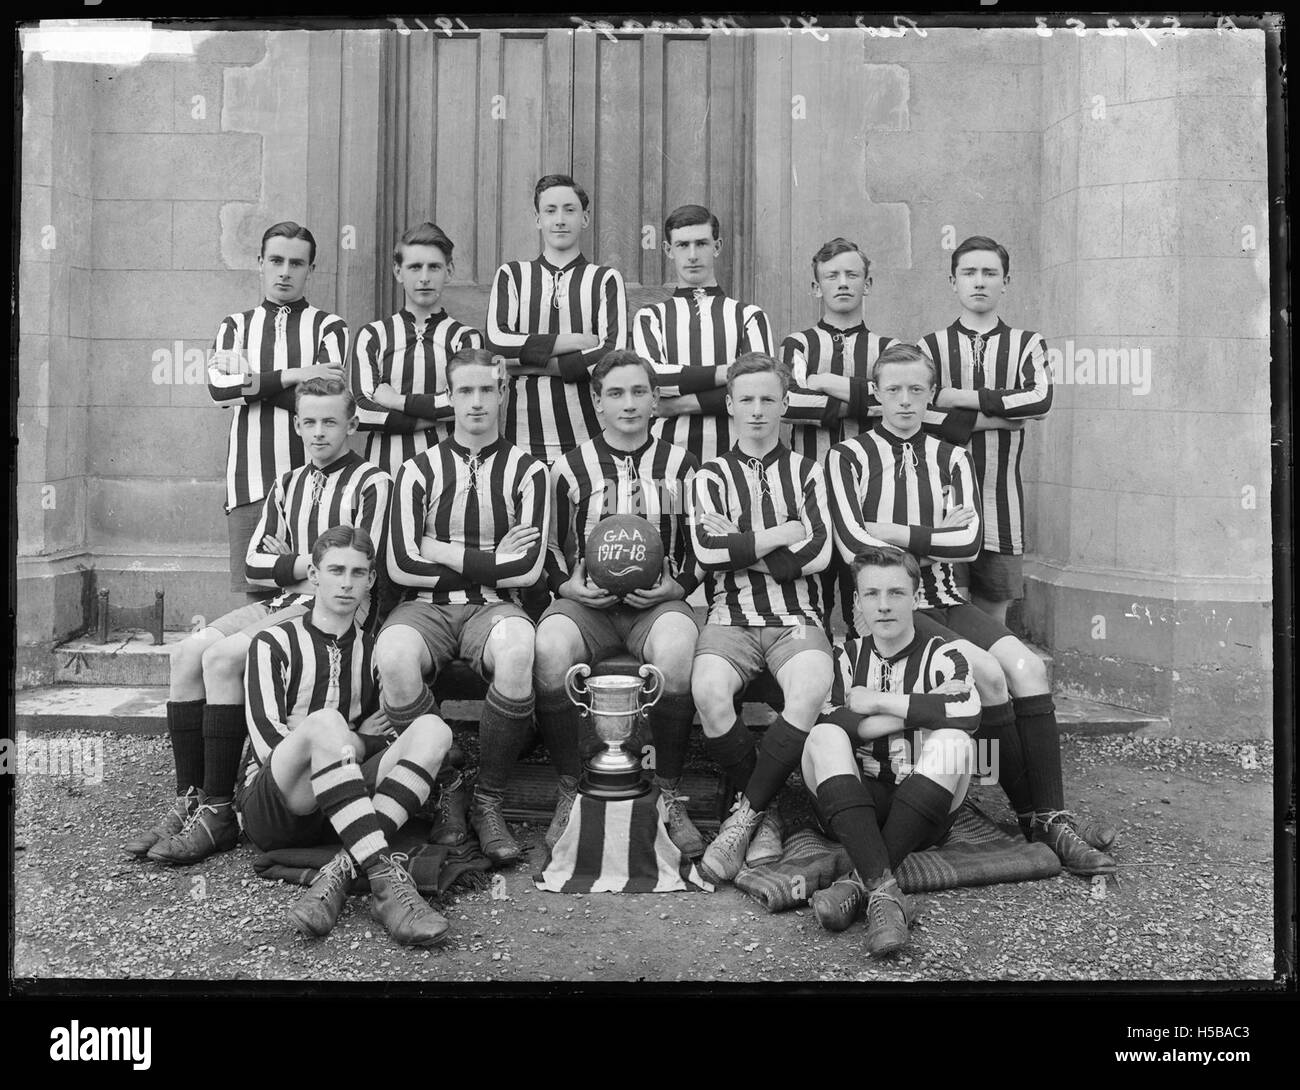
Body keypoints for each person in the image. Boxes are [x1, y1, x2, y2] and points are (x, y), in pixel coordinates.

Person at [825, 343, 1114, 875]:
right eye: (893, 389)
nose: (906, 400)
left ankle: (1048, 815)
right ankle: (1040, 820)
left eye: (917, 389)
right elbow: (855, 549)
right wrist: (933, 535)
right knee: (986, 675)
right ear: (876, 394)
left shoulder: (952, 455)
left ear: (931, 394)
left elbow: (971, 545)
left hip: (948, 600)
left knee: (1026, 667)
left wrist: (894, 531)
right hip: (894, 611)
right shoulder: (848, 458)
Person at [125, 376, 391, 866]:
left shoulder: (372, 481)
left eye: (330, 421)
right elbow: (252, 564)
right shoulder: (286, 483)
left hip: (326, 607)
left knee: (224, 657)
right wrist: (300, 568)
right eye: (308, 422)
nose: (318, 433)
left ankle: (220, 810)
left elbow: (358, 564)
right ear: (295, 424)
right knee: (186, 654)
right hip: (281, 600)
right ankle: (190, 797)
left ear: (351, 424)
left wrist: (289, 561)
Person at [240, 525, 453, 946]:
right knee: (325, 723)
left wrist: (354, 741)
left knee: (434, 729)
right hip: (281, 804)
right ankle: (386, 880)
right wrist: (353, 739)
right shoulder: (272, 642)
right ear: (314, 575)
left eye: (358, 573)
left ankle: (342, 867)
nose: (346, 582)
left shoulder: (374, 650)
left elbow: (393, 739)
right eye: (335, 570)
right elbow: (268, 745)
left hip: (345, 804)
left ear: (371, 580)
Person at [377, 348, 549, 865]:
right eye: (465, 391)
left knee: (519, 650)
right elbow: (401, 564)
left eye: (486, 390)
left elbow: (526, 571)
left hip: (494, 608)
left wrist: (443, 549)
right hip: (424, 607)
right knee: (393, 657)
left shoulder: (529, 471)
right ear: (450, 397)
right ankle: (447, 780)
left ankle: (487, 799)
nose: (476, 401)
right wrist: (492, 556)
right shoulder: (416, 470)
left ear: (503, 393)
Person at [534, 350, 704, 854]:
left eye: (638, 392)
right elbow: (542, 545)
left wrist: (680, 587)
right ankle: (569, 787)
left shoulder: (682, 466)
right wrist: (565, 586)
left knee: (677, 650)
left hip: (657, 606)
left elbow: (703, 547)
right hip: (588, 606)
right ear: (597, 402)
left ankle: (668, 792)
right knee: (548, 648)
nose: (628, 404)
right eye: (615, 393)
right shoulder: (567, 469)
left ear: (655, 400)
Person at [780, 236, 977, 634]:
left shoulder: (890, 347)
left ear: (867, 284)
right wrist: (864, 398)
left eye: (852, 274)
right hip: (812, 492)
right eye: (831, 275)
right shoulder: (798, 343)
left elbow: (901, 401)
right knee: (817, 595)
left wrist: (827, 383)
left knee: (870, 592)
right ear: (816, 286)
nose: (842, 282)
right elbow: (793, 403)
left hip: (870, 498)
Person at [690, 352, 834, 883]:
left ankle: (745, 815)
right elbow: (708, 552)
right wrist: (782, 532)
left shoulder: (810, 472)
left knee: (812, 683)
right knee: (707, 689)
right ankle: (768, 812)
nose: (756, 410)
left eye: (767, 399)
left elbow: (819, 552)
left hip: (797, 616)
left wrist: (741, 541)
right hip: (730, 614)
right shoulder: (709, 475)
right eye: (746, 399)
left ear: (784, 403)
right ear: (729, 405)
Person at [803, 546, 981, 956]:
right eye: (871, 595)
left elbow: (967, 711)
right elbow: (833, 719)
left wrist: (879, 702)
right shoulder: (843, 657)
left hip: (925, 812)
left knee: (955, 740)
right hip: (854, 803)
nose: (883, 606)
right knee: (823, 739)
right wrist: (921, 710)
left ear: (916, 598)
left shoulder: (944, 653)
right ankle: (884, 893)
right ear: (857, 601)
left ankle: (854, 882)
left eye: (896, 593)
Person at [207, 221, 348, 601]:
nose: (285, 272)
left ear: (310, 270)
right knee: (255, 599)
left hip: (313, 483)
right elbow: (220, 391)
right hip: (251, 483)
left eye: (297, 263)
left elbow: (324, 399)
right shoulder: (235, 326)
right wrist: (295, 374)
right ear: (260, 263)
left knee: (318, 592)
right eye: (276, 260)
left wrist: (251, 382)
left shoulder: (329, 327)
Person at [919, 235, 1053, 626]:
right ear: (953, 282)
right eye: (969, 272)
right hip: (944, 504)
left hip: (1002, 504)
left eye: (990, 273)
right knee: (950, 609)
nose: (979, 281)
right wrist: (998, 415)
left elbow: (1040, 401)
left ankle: (994, 686)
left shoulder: (1028, 344)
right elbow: (917, 413)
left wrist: (957, 396)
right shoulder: (930, 347)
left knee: (993, 619)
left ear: (1005, 282)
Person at [485, 173, 627, 464]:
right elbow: (497, 344)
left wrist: (535, 367)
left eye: (569, 210)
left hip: (590, 433)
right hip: (520, 432)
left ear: (585, 219)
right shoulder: (512, 274)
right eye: (550, 211)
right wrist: (573, 341)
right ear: (538, 219)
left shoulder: (604, 279)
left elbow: (612, 355)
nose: (560, 219)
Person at [633, 204, 774, 468]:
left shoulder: (749, 315)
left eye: (702, 243)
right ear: (668, 250)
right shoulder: (650, 316)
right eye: (683, 245)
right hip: (664, 459)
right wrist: (727, 373)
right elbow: (650, 378)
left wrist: (678, 405)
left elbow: (758, 388)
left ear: (717, 247)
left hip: (737, 457)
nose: (693, 254)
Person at [352, 222, 483, 479]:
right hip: (385, 473)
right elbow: (362, 411)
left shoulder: (465, 338)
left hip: (450, 474)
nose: (424, 277)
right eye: (414, 267)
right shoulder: (373, 335)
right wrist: (427, 419)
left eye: (434, 267)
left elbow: (468, 403)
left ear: (449, 271)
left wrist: (396, 401)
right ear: (398, 272)